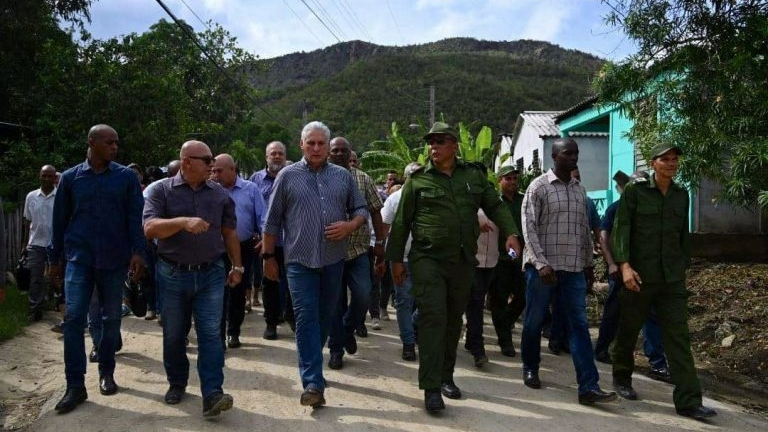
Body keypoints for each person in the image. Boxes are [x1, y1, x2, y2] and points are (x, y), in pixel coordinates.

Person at [385, 121, 522, 413]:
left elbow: (496, 206)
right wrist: (396, 261)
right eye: (431, 142)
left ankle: (446, 376)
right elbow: (400, 225)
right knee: (434, 317)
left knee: (452, 321)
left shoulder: (472, 176)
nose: (433, 147)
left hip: (462, 262)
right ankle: (431, 388)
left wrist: (511, 232)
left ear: (454, 146)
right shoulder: (418, 182)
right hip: (427, 260)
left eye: (440, 141)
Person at [261, 121, 368, 408]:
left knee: (324, 317)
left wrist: (349, 225)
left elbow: (360, 209)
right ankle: (313, 382)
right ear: (302, 145)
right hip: (298, 261)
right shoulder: (287, 176)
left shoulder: (343, 177)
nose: (317, 148)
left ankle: (312, 369)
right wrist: (268, 257)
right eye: (311, 143)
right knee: (306, 318)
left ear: (328, 145)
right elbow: (271, 222)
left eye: (322, 143)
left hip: (334, 259)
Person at [610, 143, 717, 420]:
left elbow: (683, 237)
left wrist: (682, 268)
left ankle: (689, 401)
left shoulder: (682, 195)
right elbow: (621, 228)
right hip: (639, 276)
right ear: (653, 163)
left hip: (671, 279)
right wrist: (624, 266)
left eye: (674, 159)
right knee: (629, 329)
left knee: (678, 337)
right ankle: (621, 377)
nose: (671, 164)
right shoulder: (635, 192)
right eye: (665, 159)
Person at [49, 124, 145, 414]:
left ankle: (107, 372)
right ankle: (75, 386)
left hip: (114, 260)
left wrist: (139, 252)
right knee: (74, 319)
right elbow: (60, 220)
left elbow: (134, 217)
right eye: (109, 142)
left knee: (111, 317)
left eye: (117, 143)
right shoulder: (70, 179)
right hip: (79, 259)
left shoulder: (125, 177)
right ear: (92, 142)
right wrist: (54, 260)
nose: (115, 147)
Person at [144, 140, 242, 417]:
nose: (213, 165)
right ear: (186, 161)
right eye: (207, 159)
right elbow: (150, 228)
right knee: (174, 334)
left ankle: (212, 393)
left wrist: (238, 267)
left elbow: (230, 233)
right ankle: (177, 382)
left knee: (211, 334)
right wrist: (183, 222)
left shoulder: (220, 195)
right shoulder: (161, 191)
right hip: (173, 274)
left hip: (211, 273)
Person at [519, 137, 616, 406]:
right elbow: (529, 229)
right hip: (543, 271)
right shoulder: (538, 187)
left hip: (572, 270)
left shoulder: (579, 190)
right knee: (535, 322)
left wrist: (587, 265)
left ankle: (588, 386)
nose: (573, 157)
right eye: (567, 153)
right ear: (554, 156)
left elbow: (584, 232)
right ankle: (530, 367)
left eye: (575, 153)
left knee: (579, 328)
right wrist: (540, 263)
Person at [594, 170, 670, 382]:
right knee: (615, 313)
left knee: (652, 316)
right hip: (621, 271)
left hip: (648, 273)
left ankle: (657, 362)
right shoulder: (616, 209)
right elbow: (604, 237)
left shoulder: (653, 210)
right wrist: (612, 264)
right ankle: (603, 350)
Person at [326, 136, 386, 370]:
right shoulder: (322, 178)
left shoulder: (363, 179)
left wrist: (380, 241)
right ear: (329, 153)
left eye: (343, 150)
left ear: (350, 153)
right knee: (334, 302)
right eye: (335, 150)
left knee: (363, 294)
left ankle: (347, 329)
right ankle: (336, 349)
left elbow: (376, 212)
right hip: (330, 252)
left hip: (358, 251)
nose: (339, 153)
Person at [210, 153, 266, 348]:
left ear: (233, 170)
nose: (215, 174)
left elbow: (262, 216)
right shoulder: (209, 191)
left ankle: (234, 332)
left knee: (238, 290)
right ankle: (218, 335)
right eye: (213, 171)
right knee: (216, 292)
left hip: (243, 248)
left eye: (219, 170)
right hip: (215, 249)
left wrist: (264, 239)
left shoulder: (251, 189)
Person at [250, 141, 293, 338]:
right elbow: (252, 210)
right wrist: (257, 235)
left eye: (280, 153)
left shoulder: (295, 176)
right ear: (266, 157)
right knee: (270, 283)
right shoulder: (256, 180)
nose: (277, 156)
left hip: (293, 241)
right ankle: (271, 322)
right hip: (268, 242)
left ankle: (292, 318)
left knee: (295, 283)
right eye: (273, 153)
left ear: (285, 156)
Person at [380, 162, 422, 361]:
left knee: (427, 301)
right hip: (401, 260)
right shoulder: (395, 199)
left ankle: (413, 327)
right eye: (413, 174)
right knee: (404, 302)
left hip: (425, 260)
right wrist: (381, 255)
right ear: (405, 178)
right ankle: (408, 342)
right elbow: (384, 227)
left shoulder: (429, 198)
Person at [488, 165, 525, 358]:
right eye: (507, 179)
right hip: (499, 259)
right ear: (499, 181)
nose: (512, 182)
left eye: (514, 179)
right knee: (498, 301)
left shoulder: (524, 200)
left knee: (523, 297)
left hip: (521, 259)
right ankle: (505, 341)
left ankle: (506, 321)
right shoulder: (493, 203)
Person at [463, 208, 499, 367]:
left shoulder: (497, 208)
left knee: (476, 303)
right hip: (471, 262)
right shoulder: (468, 206)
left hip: (492, 263)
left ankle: (472, 340)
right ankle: (478, 349)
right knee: (475, 303)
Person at [22, 165, 57, 321]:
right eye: (44, 175)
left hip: (54, 244)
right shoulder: (31, 196)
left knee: (52, 277)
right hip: (35, 243)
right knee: (35, 277)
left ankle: (52, 303)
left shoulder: (60, 197)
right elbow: (27, 221)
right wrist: (24, 245)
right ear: (39, 176)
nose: (47, 179)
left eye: (50, 176)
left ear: (54, 178)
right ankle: (34, 309)